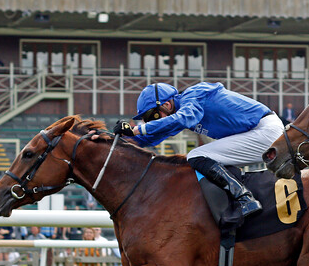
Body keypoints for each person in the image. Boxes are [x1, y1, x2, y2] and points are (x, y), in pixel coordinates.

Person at [112, 82, 284, 218]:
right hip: (258, 133)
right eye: (148, 119)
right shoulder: (180, 113)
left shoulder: (194, 95)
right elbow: (149, 138)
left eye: (152, 116)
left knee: (197, 155)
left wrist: (137, 128)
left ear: (166, 104)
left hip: (265, 131)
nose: (151, 121)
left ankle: (244, 198)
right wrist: (110, 139)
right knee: (203, 157)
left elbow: (184, 118)